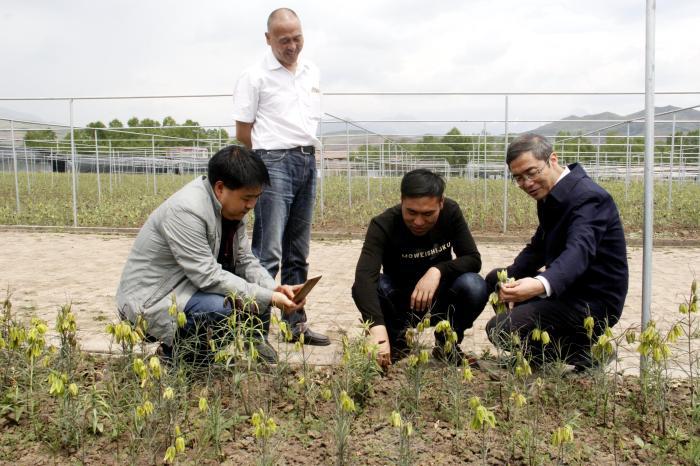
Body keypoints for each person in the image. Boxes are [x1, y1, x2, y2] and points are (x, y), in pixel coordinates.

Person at [116, 146, 306, 364]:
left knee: (252, 293)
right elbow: (207, 275)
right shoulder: (187, 210)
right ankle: (174, 358)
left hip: (185, 291)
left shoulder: (232, 210)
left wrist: (274, 288)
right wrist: (269, 298)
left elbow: (245, 260)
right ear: (220, 188)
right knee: (221, 310)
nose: (251, 205)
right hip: (149, 303)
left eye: (256, 197)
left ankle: (195, 354)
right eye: (247, 198)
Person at [485, 133, 629, 370]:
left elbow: (578, 251)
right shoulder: (550, 195)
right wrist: (509, 275)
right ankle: (540, 352)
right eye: (518, 178)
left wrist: (540, 283)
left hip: (592, 300)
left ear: (553, 159)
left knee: (500, 329)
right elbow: (539, 246)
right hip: (568, 289)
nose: (526, 183)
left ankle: (583, 351)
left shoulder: (588, 197)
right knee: (497, 279)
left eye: (532, 173)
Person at [232, 7, 328, 346]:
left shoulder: (311, 71)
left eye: (298, 38)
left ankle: (294, 324)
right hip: (273, 162)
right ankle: (255, 330)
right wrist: (261, 168)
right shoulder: (255, 75)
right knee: (267, 251)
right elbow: (244, 131)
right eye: (284, 39)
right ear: (268, 39)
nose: (292, 45)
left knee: (298, 251)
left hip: (306, 159)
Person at [352, 169, 489, 367]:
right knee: (369, 287)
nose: (418, 222)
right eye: (411, 212)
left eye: (428, 214)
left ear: (441, 202)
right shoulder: (383, 224)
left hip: (440, 300)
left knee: (474, 285)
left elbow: (473, 259)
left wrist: (438, 270)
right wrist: (376, 327)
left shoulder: (450, 212)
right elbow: (364, 276)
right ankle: (396, 341)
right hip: (401, 303)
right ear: (402, 200)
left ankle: (446, 344)